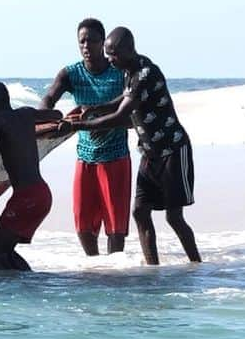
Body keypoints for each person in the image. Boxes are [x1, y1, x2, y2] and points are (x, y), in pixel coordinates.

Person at [64, 27, 201, 264]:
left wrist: (79, 127)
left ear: (129, 50)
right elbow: (124, 99)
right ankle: (153, 268)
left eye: (113, 54)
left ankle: (196, 264)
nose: (109, 59)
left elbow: (121, 116)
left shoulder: (145, 73)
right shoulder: (128, 69)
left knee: (174, 217)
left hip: (173, 150)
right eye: (108, 54)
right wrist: (97, 108)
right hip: (149, 152)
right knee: (139, 212)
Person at [40, 18, 132, 256]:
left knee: (115, 227)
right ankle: (94, 267)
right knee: (82, 224)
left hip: (116, 157)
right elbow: (49, 99)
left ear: (103, 42)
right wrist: (46, 119)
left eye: (92, 40)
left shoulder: (119, 73)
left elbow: (133, 112)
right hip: (85, 157)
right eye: (82, 41)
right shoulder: (71, 73)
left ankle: (114, 272)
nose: (86, 46)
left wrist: (105, 119)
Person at [0, 82, 61, 271]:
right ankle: (26, 284)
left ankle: (20, 288)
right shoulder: (25, 113)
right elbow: (57, 115)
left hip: (26, 198)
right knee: (3, 252)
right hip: (41, 194)